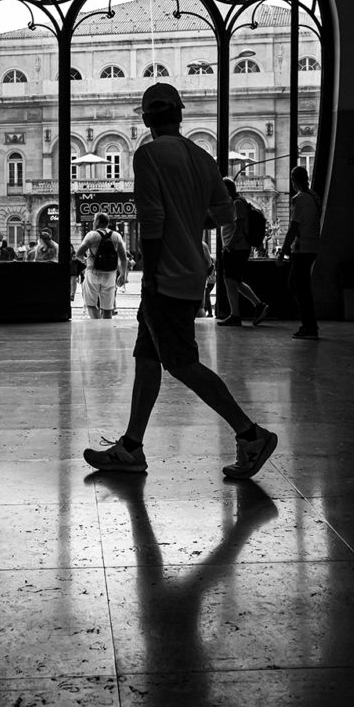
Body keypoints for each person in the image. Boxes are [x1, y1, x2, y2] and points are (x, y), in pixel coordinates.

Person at [83, 81, 278, 480]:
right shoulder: (203, 159)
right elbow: (225, 217)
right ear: (180, 114)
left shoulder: (149, 155)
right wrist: (190, 223)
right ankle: (131, 447)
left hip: (166, 280)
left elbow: (151, 224)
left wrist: (149, 278)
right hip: (191, 273)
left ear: (146, 119)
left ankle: (250, 433)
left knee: (182, 364)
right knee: (147, 358)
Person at [277, 165, 322, 339]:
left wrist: (283, 251)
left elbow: (294, 227)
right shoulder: (314, 197)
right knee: (301, 287)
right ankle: (309, 323)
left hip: (302, 249)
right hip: (313, 247)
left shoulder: (300, 199)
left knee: (298, 287)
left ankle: (309, 325)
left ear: (294, 180)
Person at [217, 177, 268, 327]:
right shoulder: (236, 203)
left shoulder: (237, 203)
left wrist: (229, 245)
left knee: (230, 280)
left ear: (227, 190)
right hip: (237, 248)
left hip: (236, 248)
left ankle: (236, 315)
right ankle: (258, 306)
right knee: (234, 281)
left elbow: (240, 228)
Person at [76, 212, 129, 319]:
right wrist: (123, 275)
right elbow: (124, 258)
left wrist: (86, 261)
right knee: (107, 308)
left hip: (93, 272)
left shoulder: (92, 235)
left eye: (94, 220)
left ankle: (97, 325)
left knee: (90, 304)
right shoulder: (116, 236)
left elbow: (79, 254)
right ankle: (106, 329)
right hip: (110, 274)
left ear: (98, 222)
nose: (93, 222)